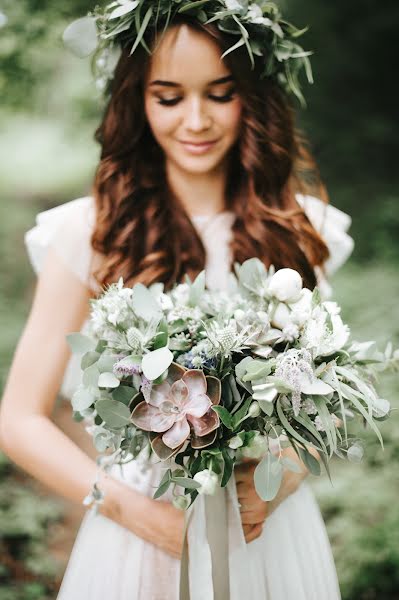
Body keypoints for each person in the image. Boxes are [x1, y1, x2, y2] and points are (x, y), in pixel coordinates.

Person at [0, 4, 354, 599]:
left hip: (267, 533)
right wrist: (133, 512)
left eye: (220, 94)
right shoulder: (89, 235)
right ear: (136, 102)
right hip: (136, 535)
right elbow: (18, 421)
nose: (196, 120)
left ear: (252, 99)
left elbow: (325, 391)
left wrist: (288, 471)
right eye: (169, 97)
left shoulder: (298, 228)